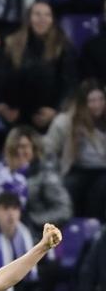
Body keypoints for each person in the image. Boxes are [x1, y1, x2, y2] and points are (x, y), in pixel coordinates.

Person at [0, 1, 76, 134]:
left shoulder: (63, 47)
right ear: (28, 19)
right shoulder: (12, 44)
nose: (42, 19)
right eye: (37, 14)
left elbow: (70, 84)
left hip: (49, 118)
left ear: (52, 20)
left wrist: (56, 111)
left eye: (47, 15)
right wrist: (1, 107)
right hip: (16, 118)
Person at [0, 126, 71, 230]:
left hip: (35, 234)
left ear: (34, 149)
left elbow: (64, 211)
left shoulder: (45, 175)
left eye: (24, 147)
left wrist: (30, 220)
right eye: (15, 147)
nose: (19, 151)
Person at [42, 80, 106, 220]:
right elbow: (48, 149)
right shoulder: (66, 121)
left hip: (103, 170)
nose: (97, 105)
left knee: (101, 190)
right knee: (68, 188)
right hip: (77, 168)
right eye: (92, 101)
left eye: (101, 99)